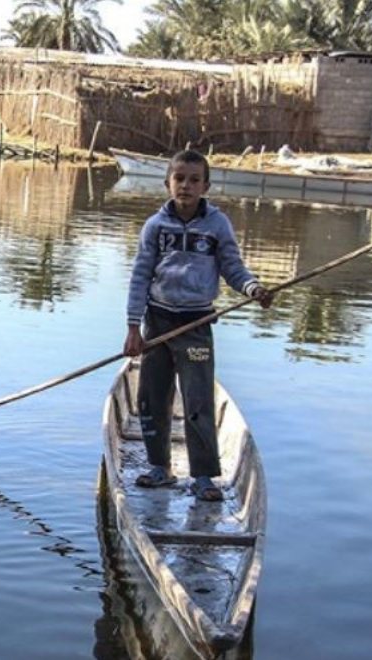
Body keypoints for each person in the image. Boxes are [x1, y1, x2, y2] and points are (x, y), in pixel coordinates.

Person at [123, 150, 274, 502]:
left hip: (196, 323)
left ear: (206, 185)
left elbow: (232, 267)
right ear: (167, 183)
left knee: (197, 399)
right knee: (151, 396)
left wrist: (252, 288)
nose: (186, 186)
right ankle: (160, 468)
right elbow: (140, 277)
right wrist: (134, 327)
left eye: (194, 180)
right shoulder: (155, 227)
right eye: (179, 178)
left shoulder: (217, 225)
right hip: (158, 323)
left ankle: (203, 476)